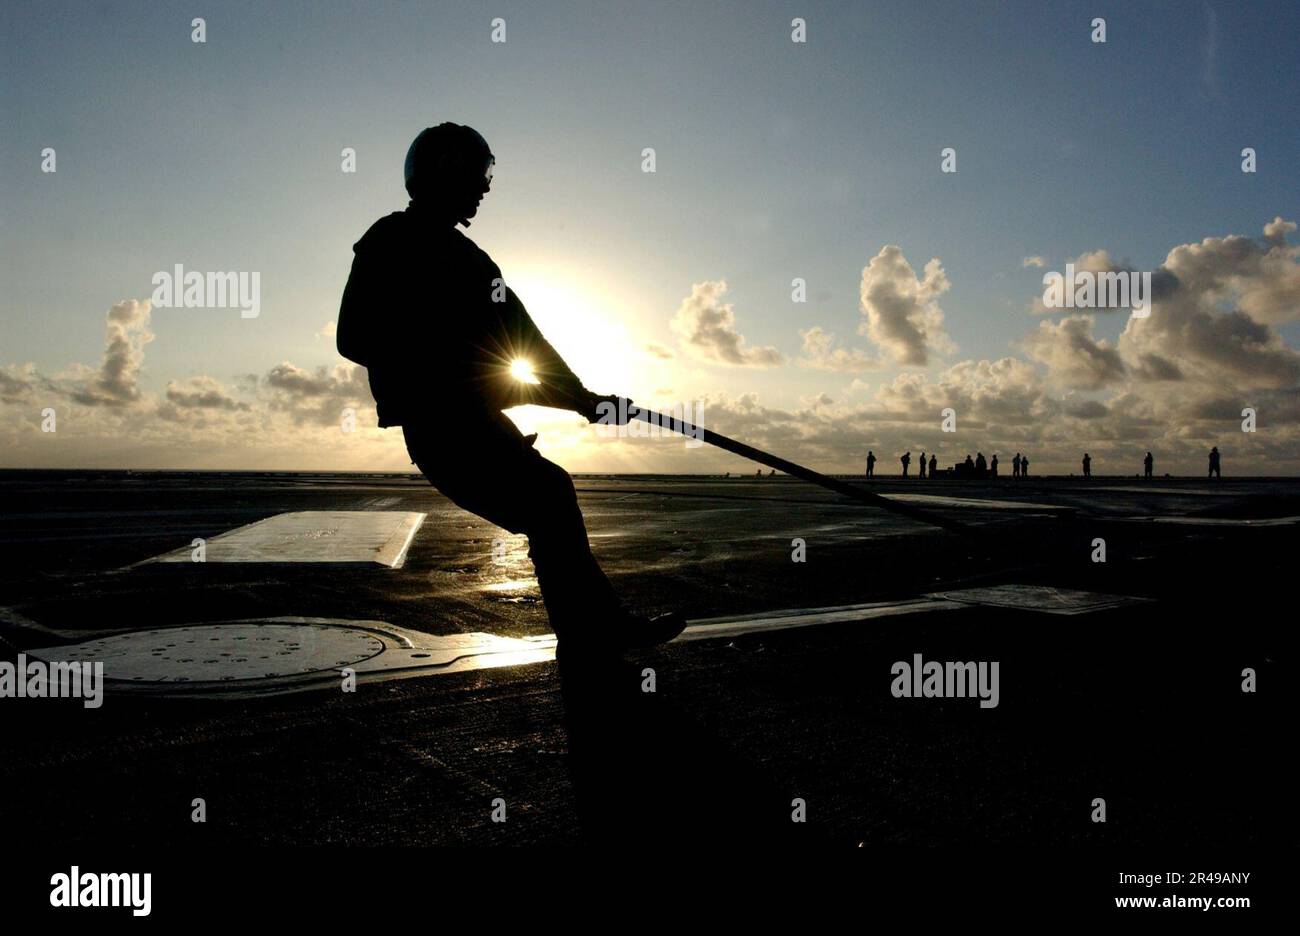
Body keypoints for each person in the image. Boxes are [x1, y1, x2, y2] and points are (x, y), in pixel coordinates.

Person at [337, 123, 684, 654]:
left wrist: (586, 400)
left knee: (551, 500)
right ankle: (595, 634)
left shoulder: (476, 263)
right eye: (479, 173)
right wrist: (455, 367)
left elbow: (529, 345)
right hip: (442, 429)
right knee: (549, 499)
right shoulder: (391, 240)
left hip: (475, 423)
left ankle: (591, 635)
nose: (485, 186)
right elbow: (353, 336)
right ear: (447, 171)